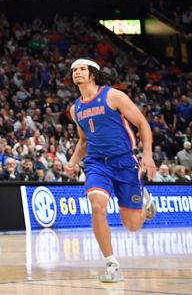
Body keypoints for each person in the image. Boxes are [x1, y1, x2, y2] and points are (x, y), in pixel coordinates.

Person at [66, 58, 157, 283]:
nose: (77, 72)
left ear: (93, 74)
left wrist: (147, 156)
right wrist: (73, 161)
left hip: (125, 162)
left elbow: (142, 124)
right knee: (97, 205)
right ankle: (112, 264)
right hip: (97, 164)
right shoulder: (75, 108)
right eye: (74, 70)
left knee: (133, 226)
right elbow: (83, 141)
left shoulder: (113, 96)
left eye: (82, 69)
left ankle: (144, 202)